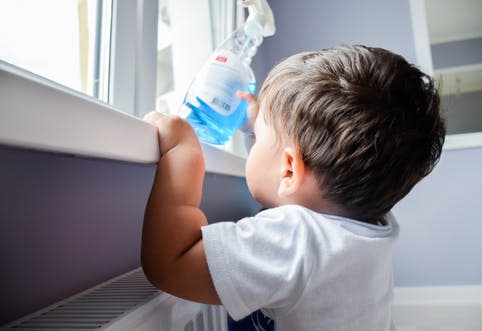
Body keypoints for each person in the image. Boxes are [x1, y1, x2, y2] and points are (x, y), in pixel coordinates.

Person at [141, 45, 446, 331]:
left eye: (257, 138)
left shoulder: (296, 240)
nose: (254, 141)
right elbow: (295, 167)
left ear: (288, 169)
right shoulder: (372, 227)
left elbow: (172, 263)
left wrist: (183, 153)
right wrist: (261, 127)